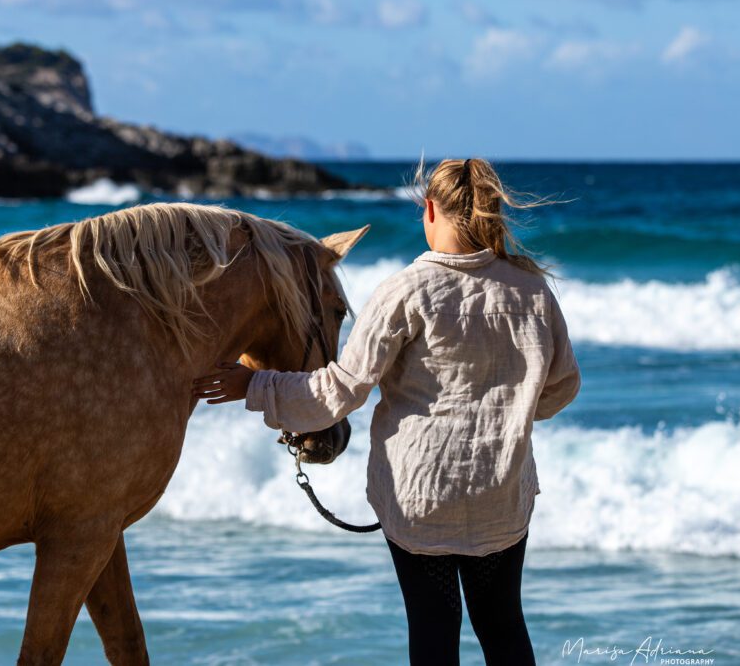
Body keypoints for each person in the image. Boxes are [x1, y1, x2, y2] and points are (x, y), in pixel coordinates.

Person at [191, 157, 581, 666]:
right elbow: (562, 387)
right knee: (502, 625)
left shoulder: (405, 290)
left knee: (433, 630)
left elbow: (341, 390)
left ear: (430, 209)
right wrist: (507, 414)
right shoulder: (531, 290)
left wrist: (256, 386)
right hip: (500, 492)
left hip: (420, 494)